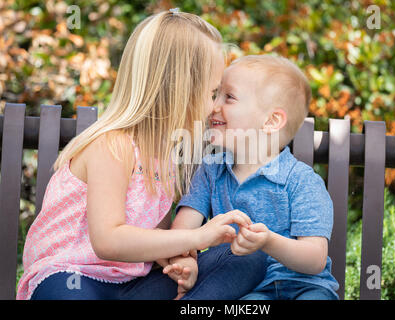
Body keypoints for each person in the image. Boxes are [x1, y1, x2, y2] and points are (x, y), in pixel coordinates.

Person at [16, 10, 266, 300]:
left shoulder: (166, 158)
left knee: (246, 258)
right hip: (71, 277)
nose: (213, 107)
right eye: (211, 93)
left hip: (130, 286)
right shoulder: (112, 145)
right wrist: (198, 237)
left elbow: (153, 241)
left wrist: (181, 261)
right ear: (177, 88)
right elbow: (108, 241)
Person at [171, 54, 339, 300]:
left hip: (306, 287)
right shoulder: (211, 170)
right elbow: (181, 233)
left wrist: (268, 241)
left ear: (271, 121)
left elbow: (314, 259)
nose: (213, 106)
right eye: (215, 95)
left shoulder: (302, 181)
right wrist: (185, 263)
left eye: (229, 97)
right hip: (250, 290)